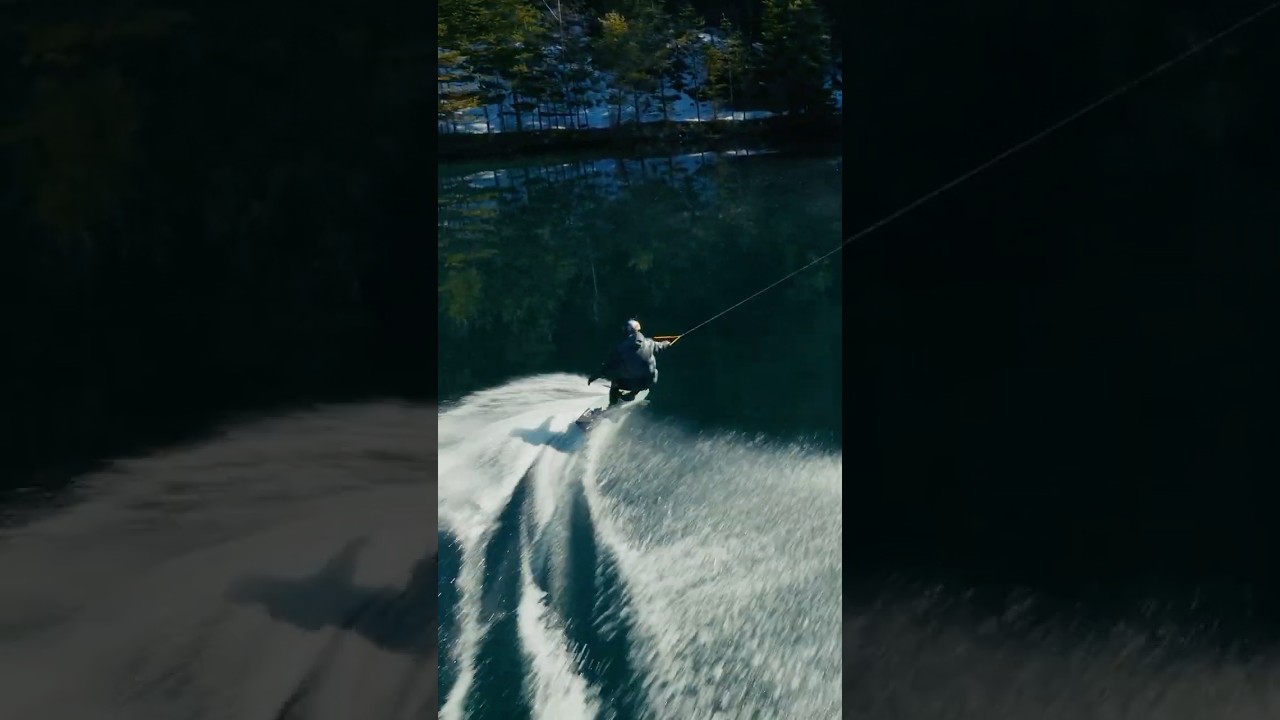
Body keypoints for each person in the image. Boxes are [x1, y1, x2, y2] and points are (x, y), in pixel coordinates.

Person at [588, 319, 672, 407]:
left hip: (633, 383)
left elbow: (608, 365)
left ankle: (612, 406)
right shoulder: (650, 343)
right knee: (653, 371)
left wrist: (594, 376)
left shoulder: (622, 348)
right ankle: (633, 394)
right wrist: (667, 343)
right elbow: (661, 346)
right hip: (648, 382)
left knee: (615, 383)